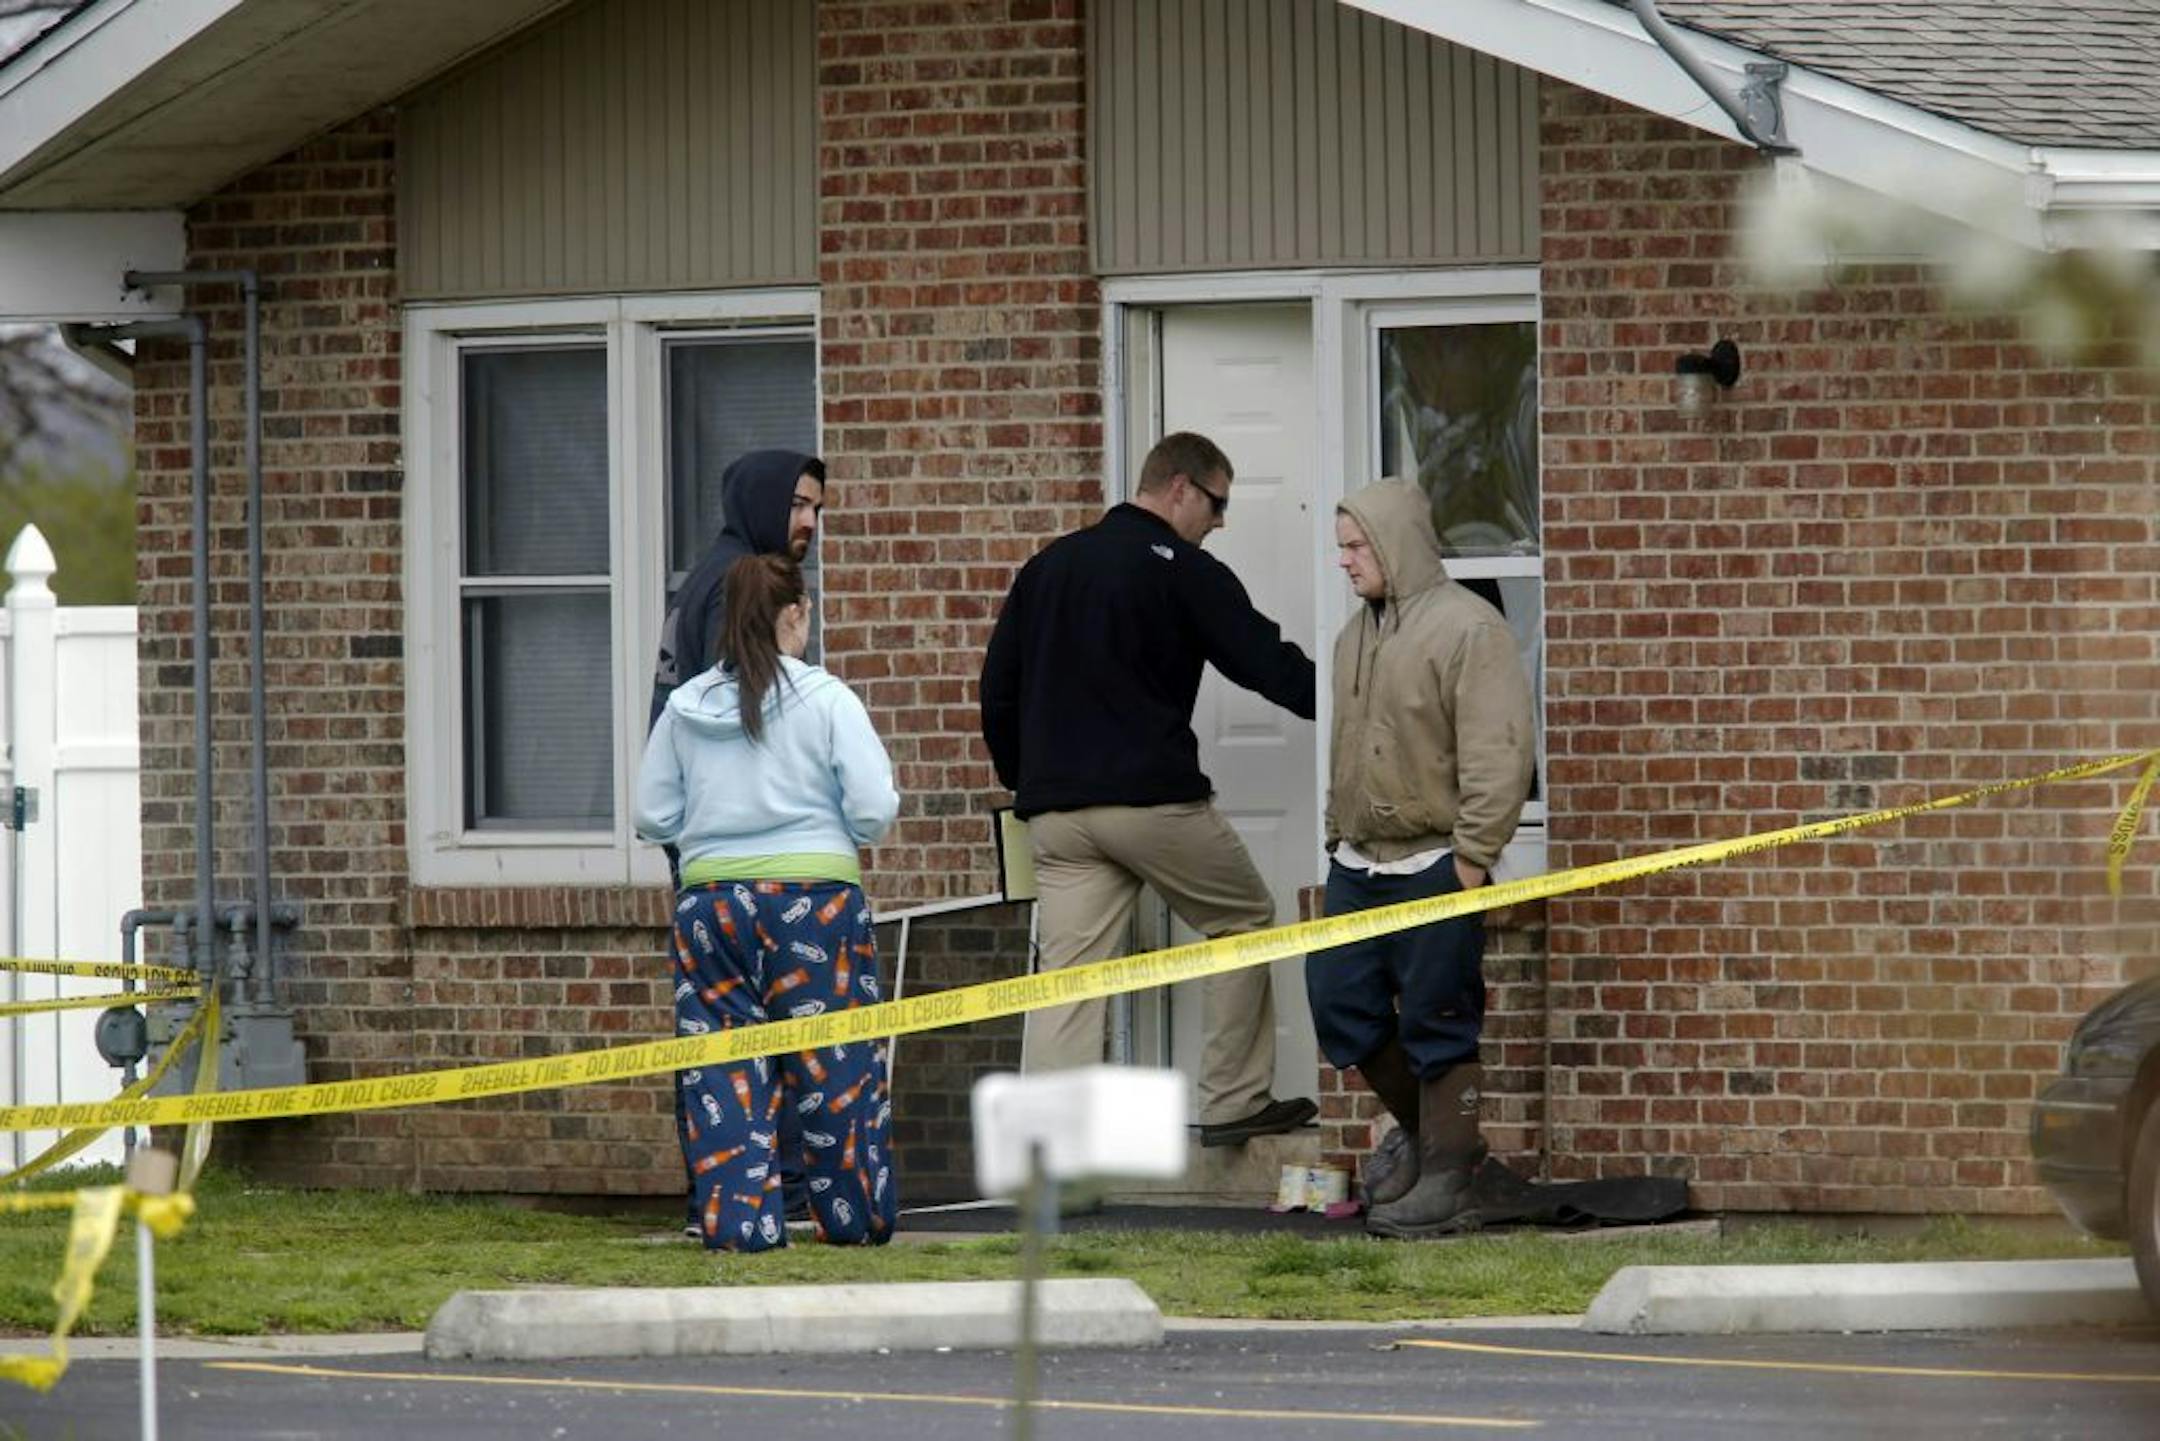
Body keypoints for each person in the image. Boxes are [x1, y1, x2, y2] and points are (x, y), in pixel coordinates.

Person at [980, 431, 1319, 1148]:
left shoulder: (1046, 567)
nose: (1220, 522)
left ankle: (1047, 1163)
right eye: (1218, 504)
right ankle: (1231, 1101)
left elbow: (996, 692)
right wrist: (1358, 701)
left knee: (1068, 978)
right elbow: (1268, 665)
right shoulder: (1183, 570)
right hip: (1150, 802)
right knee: (1244, 919)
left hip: (1057, 817)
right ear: (1181, 490)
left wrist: (1029, 781)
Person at [635, 554, 900, 1252]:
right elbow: (874, 811)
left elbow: (651, 814)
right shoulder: (829, 698)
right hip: (815, 905)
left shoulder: (687, 707)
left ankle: (740, 1226)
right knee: (834, 1065)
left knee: (723, 1066)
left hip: (712, 907)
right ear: (793, 614)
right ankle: (853, 1218)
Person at [1309, 477, 1535, 1240]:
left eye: (1355, 546)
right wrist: (1336, 835)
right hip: (1358, 864)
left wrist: (1471, 860)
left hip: (1439, 861)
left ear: (1395, 542)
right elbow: (1346, 748)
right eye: (1340, 547)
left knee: (1440, 1018)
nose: (1343, 561)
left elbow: (1500, 754)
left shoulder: (1470, 629)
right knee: (1338, 1000)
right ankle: (1437, 1143)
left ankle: (1448, 1176)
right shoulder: (1354, 637)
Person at [648, 448, 825, 1232]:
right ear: (759, 501)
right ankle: (768, 1197)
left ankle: (721, 1198)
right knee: (765, 1039)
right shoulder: (737, 588)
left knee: (720, 1039)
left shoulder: (712, 577)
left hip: (706, 863)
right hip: (750, 869)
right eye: (798, 505)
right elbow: (744, 732)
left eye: (817, 508)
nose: (810, 523)